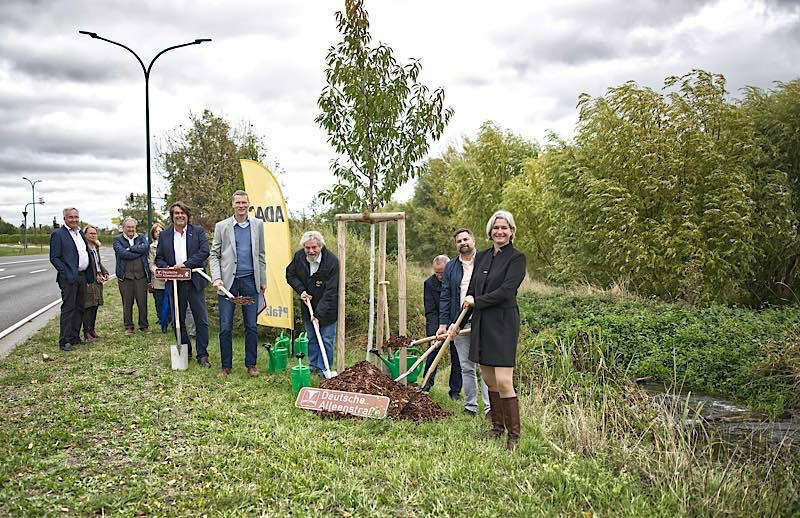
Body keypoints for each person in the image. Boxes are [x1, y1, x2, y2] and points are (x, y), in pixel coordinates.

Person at [462, 210, 526, 451]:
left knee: (503, 380)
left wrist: (477, 302)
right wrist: (461, 318)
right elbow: (472, 289)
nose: (500, 231)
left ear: (511, 232)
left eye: (505, 228)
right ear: (490, 231)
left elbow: (507, 292)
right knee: (489, 379)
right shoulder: (484, 256)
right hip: (481, 321)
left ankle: (514, 436)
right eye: (496, 228)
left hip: (503, 322)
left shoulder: (517, 258)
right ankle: (497, 428)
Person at [210, 190, 267, 377]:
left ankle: (251, 364)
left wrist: (263, 280)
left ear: (249, 204)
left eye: (244, 202)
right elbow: (214, 254)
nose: (241, 206)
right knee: (226, 326)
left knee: (251, 325)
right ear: (232, 204)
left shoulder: (257, 225)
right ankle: (226, 366)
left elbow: (260, 255)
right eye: (238, 203)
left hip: (250, 282)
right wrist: (216, 277)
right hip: (228, 284)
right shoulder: (222, 226)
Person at [437, 228, 491, 416]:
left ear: (473, 240)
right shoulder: (451, 267)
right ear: (456, 245)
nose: (463, 243)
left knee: (485, 367)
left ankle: (489, 408)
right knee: (466, 367)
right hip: (458, 322)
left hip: (482, 320)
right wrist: (444, 324)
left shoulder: (486, 260)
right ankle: (470, 406)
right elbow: (445, 296)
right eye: (459, 241)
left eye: (466, 239)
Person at [155, 202, 211, 367]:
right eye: (176, 213)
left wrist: (186, 264)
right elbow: (159, 258)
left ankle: (203, 354)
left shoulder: (198, 232)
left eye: (182, 213)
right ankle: (185, 352)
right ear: (172, 216)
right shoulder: (165, 235)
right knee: (178, 320)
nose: (180, 216)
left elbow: (204, 252)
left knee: (201, 319)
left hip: (194, 281)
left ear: (187, 215)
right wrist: (168, 268)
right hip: (175, 283)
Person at [286, 231, 339, 377]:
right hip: (308, 304)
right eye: (307, 248)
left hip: (328, 307)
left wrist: (318, 315)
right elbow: (290, 274)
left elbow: (331, 291)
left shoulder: (331, 262)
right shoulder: (299, 257)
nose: (311, 251)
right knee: (312, 338)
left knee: (326, 339)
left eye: (314, 247)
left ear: (321, 246)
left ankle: (325, 369)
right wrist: (301, 290)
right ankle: (314, 366)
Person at [49, 207, 95, 352]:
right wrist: (66, 273)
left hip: (81, 276)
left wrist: (88, 274)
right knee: (69, 308)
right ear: (65, 219)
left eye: (76, 217)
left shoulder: (80, 233)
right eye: (71, 217)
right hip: (68, 278)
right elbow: (54, 258)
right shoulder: (58, 234)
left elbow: (85, 253)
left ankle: (75, 337)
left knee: (80, 307)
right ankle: (65, 340)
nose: (74, 219)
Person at [421, 255, 463, 398]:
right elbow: (430, 311)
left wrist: (456, 325)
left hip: (457, 323)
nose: (439, 276)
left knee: (457, 358)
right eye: (436, 272)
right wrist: (434, 333)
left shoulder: (458, 281)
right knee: (432, 354)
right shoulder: (429, 284)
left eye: (442, 272)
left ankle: (455, 391)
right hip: (438, 325)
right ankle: (426, 385)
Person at [113, 217, 150, 334]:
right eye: (128, 227)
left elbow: (145, 248)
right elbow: (122, 253)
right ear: (123, 228)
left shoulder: (141, 237)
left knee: (142, 303)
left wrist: (131, 249)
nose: (131, 229)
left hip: (141, 277)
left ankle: (143, 325)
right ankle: (129, 327)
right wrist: (137, 253)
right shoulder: (117, 239)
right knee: (127, 303)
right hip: (125, 277)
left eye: (133, 227)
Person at [81, 224, 109, 342]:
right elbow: (87, 265)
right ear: (85, 234)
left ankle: (92, 329)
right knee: (88, 305)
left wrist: (104, 272)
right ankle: (86, 332)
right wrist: (94, 276)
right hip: (89, 280)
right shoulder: (83, 247)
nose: (93, 235)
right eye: (90, 233)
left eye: (94, 233)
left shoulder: (95, 246)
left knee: (96, 305)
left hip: (98, 280)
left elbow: (98, 263)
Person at [148, 222, 171, 333]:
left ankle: (170, 319)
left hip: (171, 277)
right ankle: (162, 321)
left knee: (171, 300)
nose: (158, 233)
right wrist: (160, 272)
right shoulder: (152, 247)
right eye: (156, 231)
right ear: (153, 234)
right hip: (158, 278)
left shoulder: (170, 243)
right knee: (159, 300)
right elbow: (151, 263)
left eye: (160, 230)